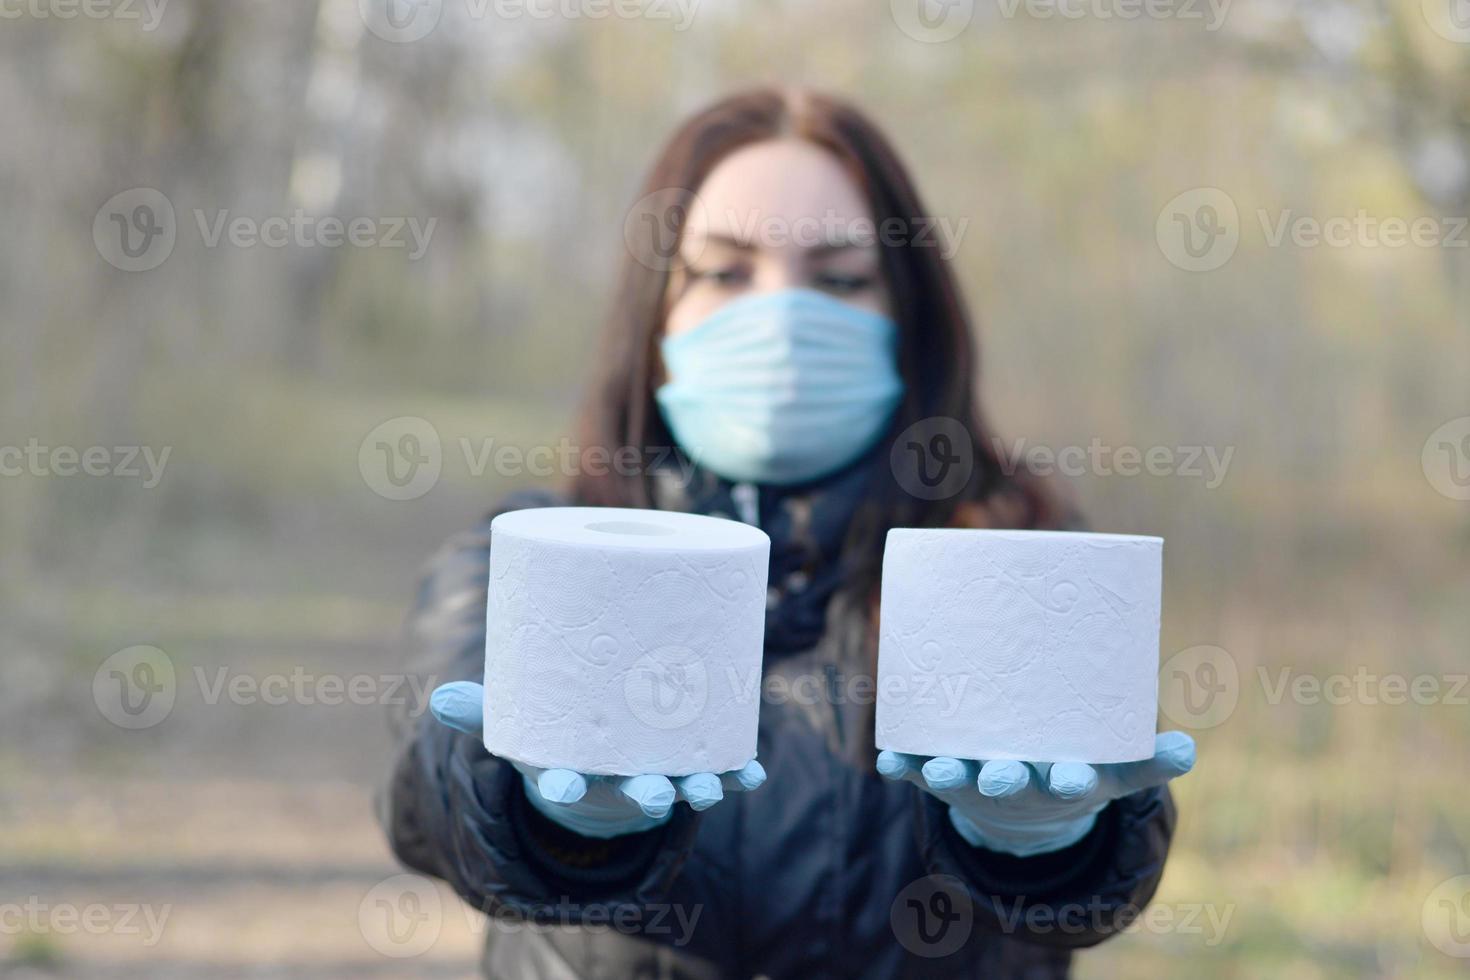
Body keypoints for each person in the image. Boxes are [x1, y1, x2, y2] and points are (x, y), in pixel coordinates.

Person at [379, 87, 1196, 979]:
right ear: (655, 324)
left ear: (907, 321)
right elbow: (431, 798)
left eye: (841, 279)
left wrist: (1051, 845)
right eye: (725, 274)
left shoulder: (1020, 564)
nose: (779, 320)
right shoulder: (531, 561)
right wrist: (546, 822)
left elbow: (1098, 877)